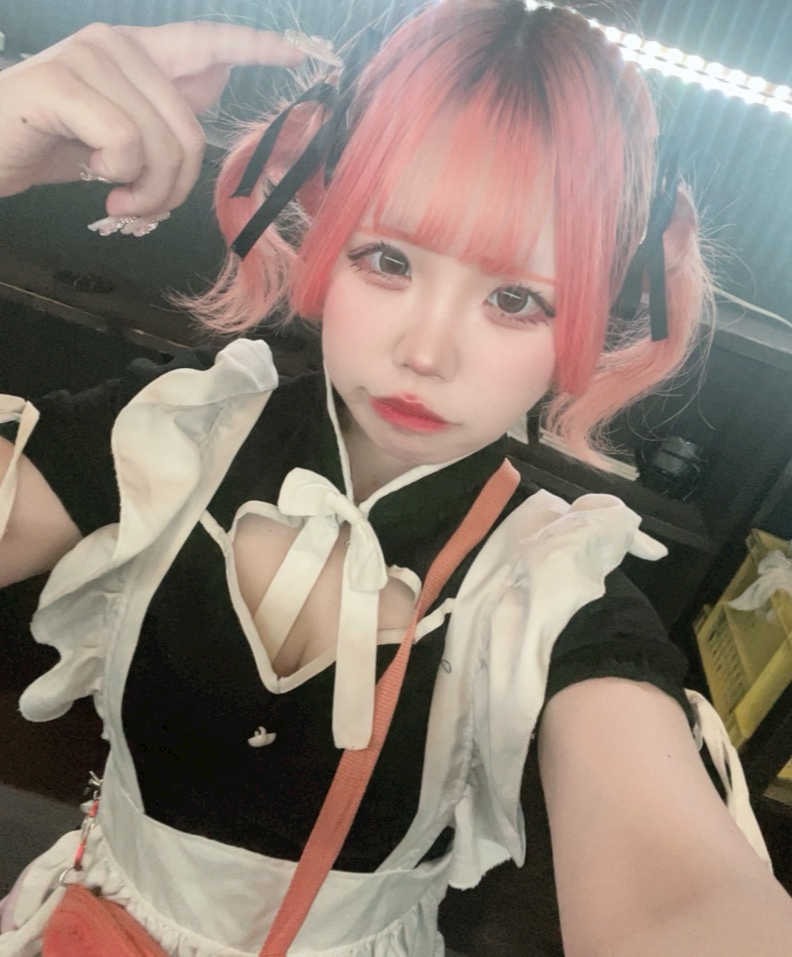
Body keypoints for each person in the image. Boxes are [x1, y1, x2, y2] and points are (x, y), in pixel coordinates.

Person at [0, 2, 790, 955]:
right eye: (387, 259)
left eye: (515, 298)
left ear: (591, 316)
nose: (426, 351)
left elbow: (681, 892)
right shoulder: (173, 437)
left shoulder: (551, 591)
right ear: (325, 238)